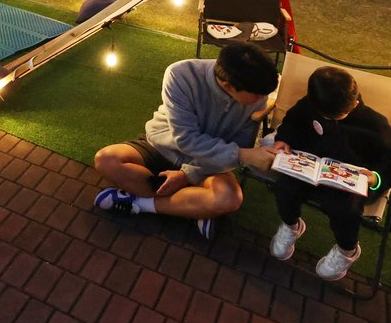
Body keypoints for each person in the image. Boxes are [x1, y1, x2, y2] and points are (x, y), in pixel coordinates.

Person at [92, 43, 280, 239]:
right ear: (228, 86)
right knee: (106, 160)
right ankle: (192, 206)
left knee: (230, 199)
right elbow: (186, 139)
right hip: (162, 147)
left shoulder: (256, 96)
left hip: (209, 163)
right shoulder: (181, 74)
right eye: (258, 94)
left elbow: (238, 147)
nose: (263, 98)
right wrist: (242, 155)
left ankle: (140, 203)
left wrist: (187, 175)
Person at [268, 67, 391, 281]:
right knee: (285, 186)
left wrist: (375, 178)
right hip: (310, 168)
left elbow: (388, 162)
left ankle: (347, 249)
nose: (328, 119)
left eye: (336, 116)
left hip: (349, 182)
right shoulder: (311, 104)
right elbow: (292, 121)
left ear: (354, 103)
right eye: (324, 116)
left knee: (345, 208)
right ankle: (291, 225)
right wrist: (283, 139)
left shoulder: (375, 125)